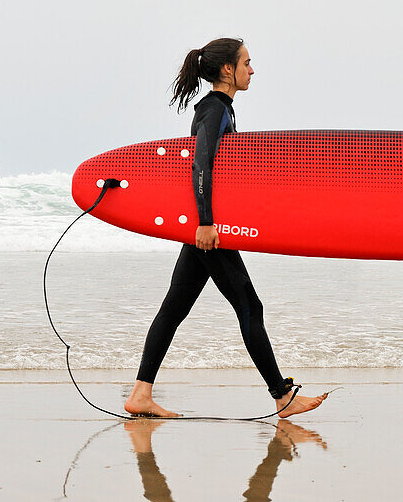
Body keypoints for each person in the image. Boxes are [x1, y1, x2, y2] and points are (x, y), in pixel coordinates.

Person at [123, 38, 326, 419]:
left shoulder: (220, 109)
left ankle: (140, 394)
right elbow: (201, 166)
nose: (253, 70)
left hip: (208, 228)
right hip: (209, 231)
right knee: (250, 306)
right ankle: (282, 396)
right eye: (247, 63)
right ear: (227, 70)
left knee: (174, 308)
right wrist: (205, 223)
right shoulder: (215, 110)